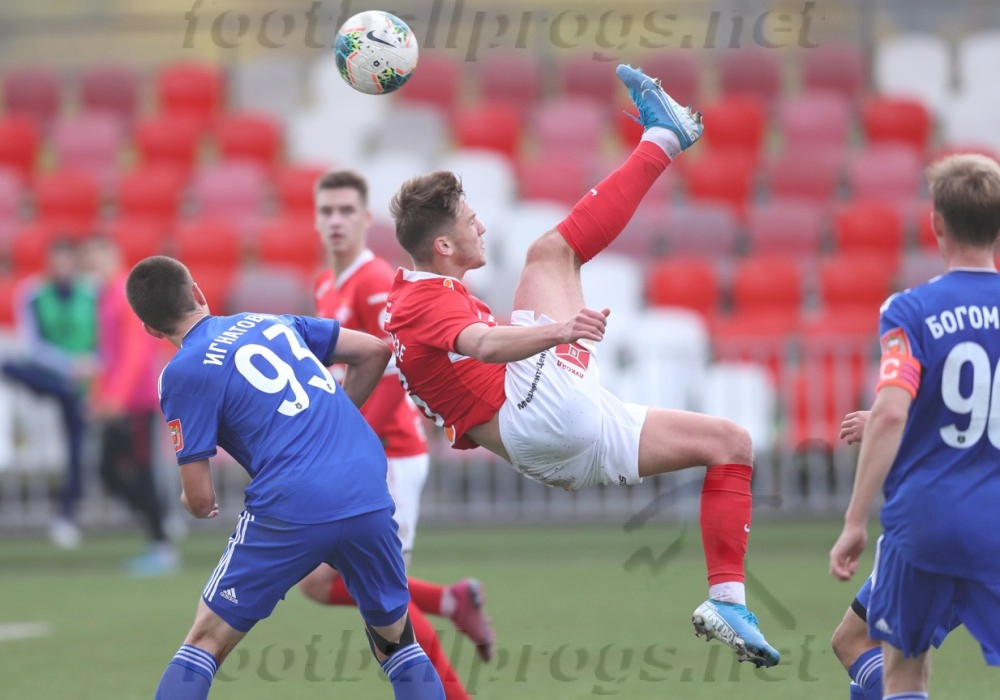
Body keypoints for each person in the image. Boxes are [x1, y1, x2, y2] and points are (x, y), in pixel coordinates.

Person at [383, 64, 779, 667]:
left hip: (554, 446)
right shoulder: (425, 299)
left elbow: (415, 356)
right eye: (469, 221)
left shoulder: (408, 302)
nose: (481, 226)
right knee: (551, 253)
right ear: (443, 246)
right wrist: (559, 330)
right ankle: (664, 137)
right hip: (535, 416)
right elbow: (483, 345)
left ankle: (727, 602)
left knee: (730, 443)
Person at [125, 256, 445, 700]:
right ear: (197, 292)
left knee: (205, 641)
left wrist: (189, 503)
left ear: (150, 329)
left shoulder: (182, 373)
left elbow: (200, 501)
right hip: (365, 482)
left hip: (293, 498)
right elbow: (375, 351)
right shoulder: (267, 320)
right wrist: (327, 425)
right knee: (396, 643)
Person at [299, 170, 494, 698]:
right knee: (321, 582)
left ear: (365, 220)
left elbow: (389, 369)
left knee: (383, 598)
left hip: (389, 452)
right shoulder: (327, 283)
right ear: (315, 220)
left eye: (346, 210)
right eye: (326, 211)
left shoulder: (372, 280)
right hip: (363, 452)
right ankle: (452, 601)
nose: (336, 220)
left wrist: (343, 442)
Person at [830, 153, 1000, 699]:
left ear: (937, 223)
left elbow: (894, 409)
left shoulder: (911, 310)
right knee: (853, 642)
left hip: (928, 518)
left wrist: (855, 520)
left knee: (901, 671)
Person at [82, 236, 179, 576]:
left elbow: (136, 352)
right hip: (122, 401)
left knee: (138, 471)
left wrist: (116, 399)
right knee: (110, 471)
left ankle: (162, 541)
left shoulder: (125, 295)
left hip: (135, 402)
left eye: (98, 255)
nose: (93, 263)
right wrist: (99, 396)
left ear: (113, 254)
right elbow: (108, 354)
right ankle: (159, 523)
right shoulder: (106, 295)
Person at [2, 238, 96, 549]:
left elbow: (103, 339)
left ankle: (67, 514)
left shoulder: (91, 294)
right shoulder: (33, 294)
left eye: (67, 261)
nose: (62, 267)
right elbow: (31, 346)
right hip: (51, 377)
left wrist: (89, 365)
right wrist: (69, 366)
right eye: (57, 261)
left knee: (77, 449)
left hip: (83, 382)